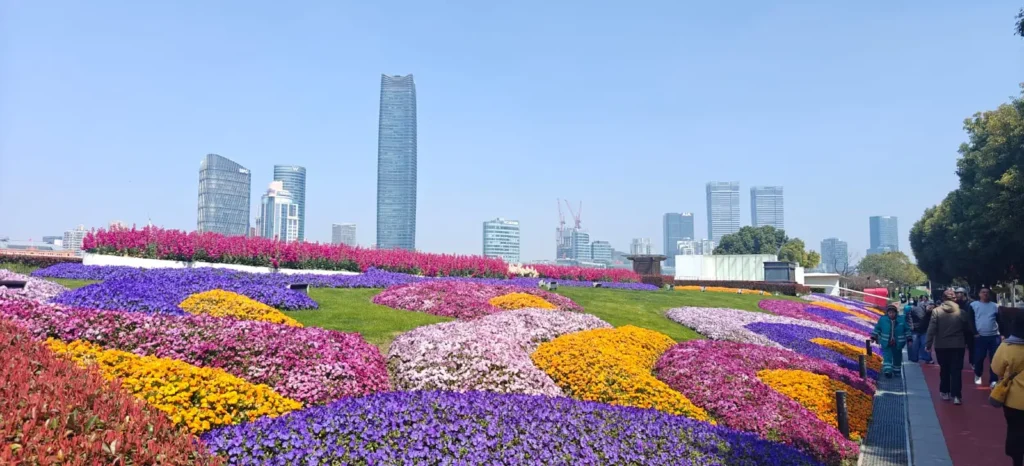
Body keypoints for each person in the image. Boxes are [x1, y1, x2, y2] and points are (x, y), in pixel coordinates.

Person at [991, 315, 1024, 466]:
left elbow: (996, 368)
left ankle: (1017, 460)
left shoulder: (1007, 346)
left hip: (1013, 399)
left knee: (1014, 429)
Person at [927, 288, 969, 405]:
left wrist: (928, 343)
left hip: (941, 345)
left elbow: (932, 328)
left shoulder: (936, 311)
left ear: (943, 299)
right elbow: (967, 328)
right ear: (954, 299)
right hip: (958, 345)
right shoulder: (961, 312)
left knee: (944, 369)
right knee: (956, 370)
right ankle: (957, 396)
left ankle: (945, 391)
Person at [973, 288, 1006, 388]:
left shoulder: (995, 306)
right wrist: (975, 333)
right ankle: (978, 374)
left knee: (994, 358)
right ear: (979, 294)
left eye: (987, 292)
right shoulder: (973, 305)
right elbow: (970, 320)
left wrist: (1002, 334)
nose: (985, 294)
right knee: (979, 357)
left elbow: (1000, 320)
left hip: (994, 336)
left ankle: (993, 379)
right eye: (983, 292)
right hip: (980, 336)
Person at [872, 304, 912, 378]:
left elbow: (907, 330)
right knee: (887, 357)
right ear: (887, 313)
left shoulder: (901, 320)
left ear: (896, 313)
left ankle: (897, 371)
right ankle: (888, 371)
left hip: (898, 343)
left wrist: (909, 339)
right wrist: (873, 337)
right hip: (886, 342)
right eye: (890, 313)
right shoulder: (883, 320)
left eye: (893, 312)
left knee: (897, 357)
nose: (891, 314)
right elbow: (877, 328)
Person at [957, 287, 976, 369]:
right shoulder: (956, 303)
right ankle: (959, 363)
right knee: (959, 348)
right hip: (959, 329)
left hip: (969, 329)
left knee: (972, 347)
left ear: (963, 293)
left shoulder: (971, 303)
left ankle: (972, 362)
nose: (956, 294)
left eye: (958, 293)